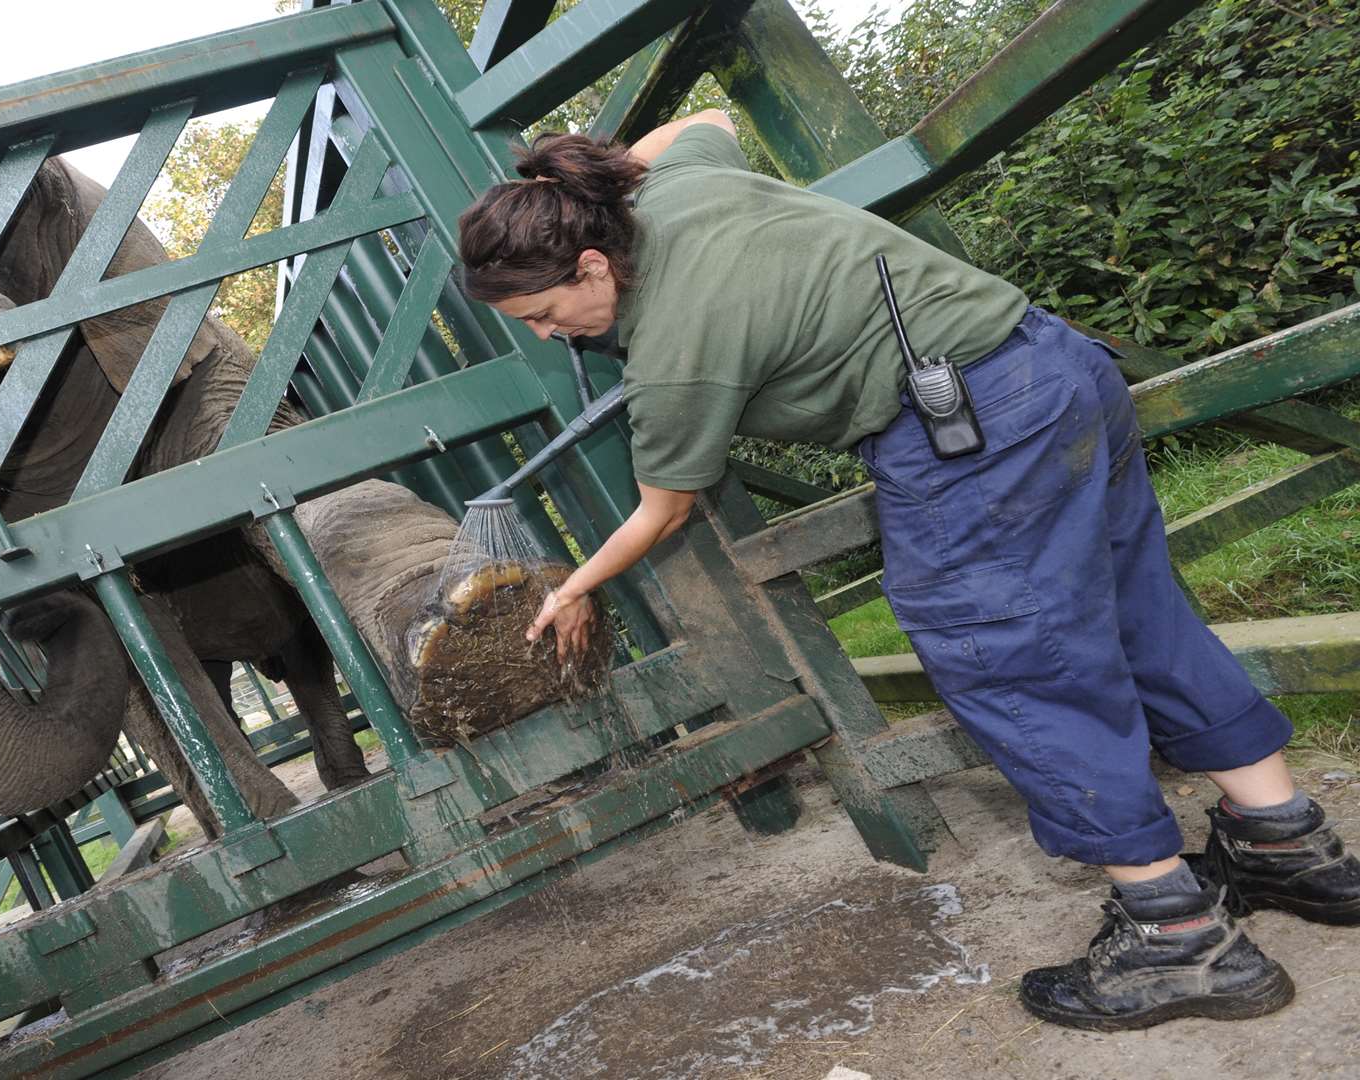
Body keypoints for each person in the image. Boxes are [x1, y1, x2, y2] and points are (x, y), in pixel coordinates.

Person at [455, 110, 1360, 1031]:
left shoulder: (672, 353)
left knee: (1007, 654)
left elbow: (665, 508)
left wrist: (572, 587)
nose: (546, 336)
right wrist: (599, 171)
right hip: (1055, 365)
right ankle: (1284, 842)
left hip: (973, 435)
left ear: (593, 266)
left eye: (543, 314)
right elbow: (707, 120)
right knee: (1137, 607)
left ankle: (1176, 936)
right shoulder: (681, 187)